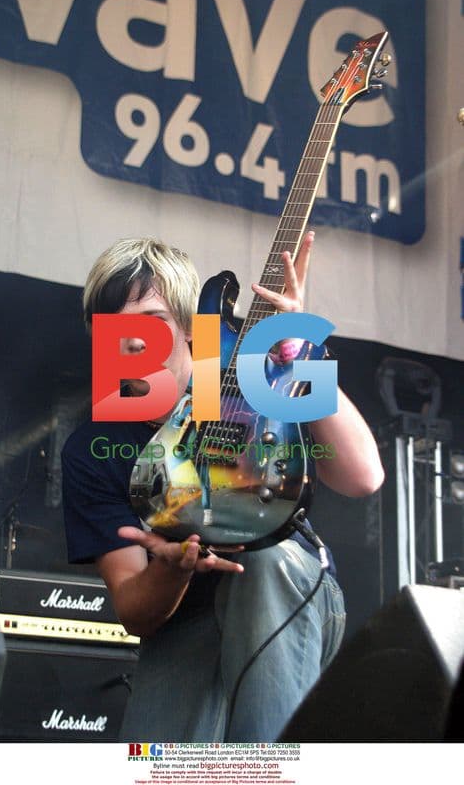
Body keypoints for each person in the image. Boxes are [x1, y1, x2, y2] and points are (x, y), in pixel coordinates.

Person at [62, 232, 384, 741]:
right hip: (184, 617)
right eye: (114, 329)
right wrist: (172, 567)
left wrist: (303, 347)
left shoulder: (244, 371)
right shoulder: (92, 447)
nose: (133, 342)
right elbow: (134, 610)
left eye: (153, 324)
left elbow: (362, 476)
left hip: (281, 583)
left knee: (262, 563)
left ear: (191, 328)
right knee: (157, 770)